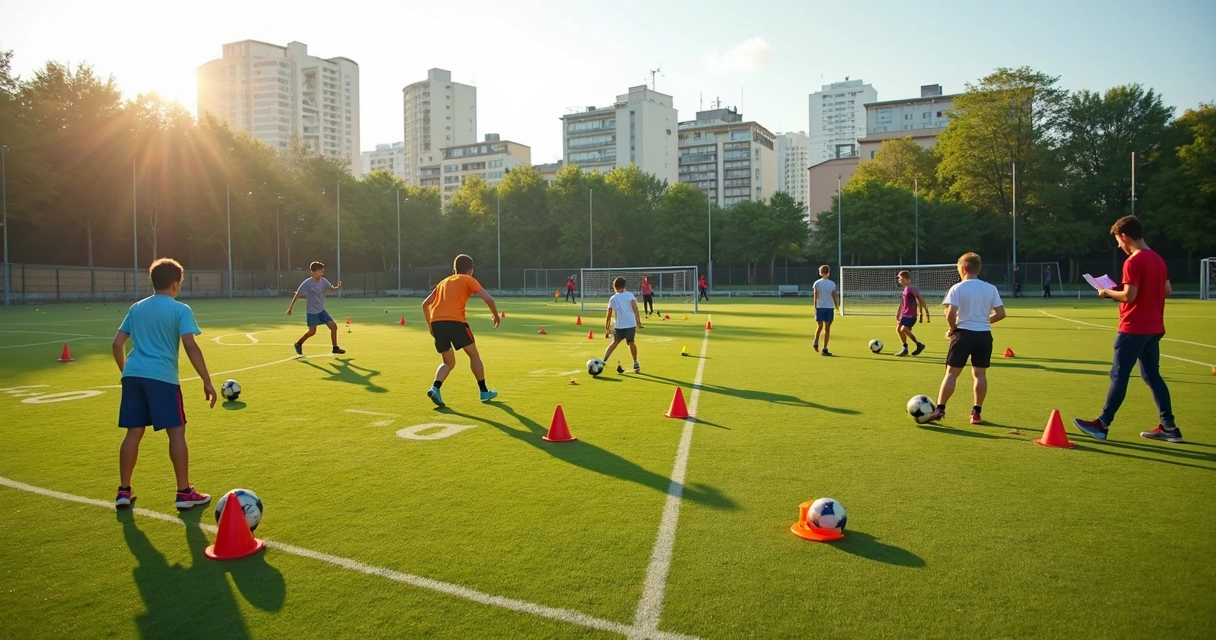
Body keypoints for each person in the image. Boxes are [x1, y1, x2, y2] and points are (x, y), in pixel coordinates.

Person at [111, 258, 216, 510]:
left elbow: (117, 344)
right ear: (175, 284)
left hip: (133, 375)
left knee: (133, 432)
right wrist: (207, 380)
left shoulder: (137, 308)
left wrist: (127, 372)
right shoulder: (180, 309)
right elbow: (190, 346)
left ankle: (124, 491)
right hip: (162, 378)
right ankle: (184, 493)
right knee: (176, 432)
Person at [1074, 215, 1181, 443]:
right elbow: (1167, 290)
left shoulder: (1133, 261)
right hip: (1154, 327)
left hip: (1134, 327)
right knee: (1152, 376)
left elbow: (1129, 296)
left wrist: (1107, 292)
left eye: (1118, 241)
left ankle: (1102, 424)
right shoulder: (1158, 259)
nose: (1119, 246)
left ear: (1124, 236)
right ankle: (1169, 427)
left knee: (1119, 375)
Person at [928, 252, 1006, 425]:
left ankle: (940, 409)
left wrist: (952, 329)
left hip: (963, 334)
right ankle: (976, 412)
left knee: (951, 374)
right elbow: (1001, 314)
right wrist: (983, 321)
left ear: (963, 268)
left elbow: (950, 313)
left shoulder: (958, 288)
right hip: (984, 336)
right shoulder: (990, 288)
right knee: (980, 375)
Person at [423, 254, 501, 407]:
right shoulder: (468, 279)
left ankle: (435, 388)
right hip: (456, 322)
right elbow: (489, 299)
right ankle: (484, 391)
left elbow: (425, 304)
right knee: (473, 355)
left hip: (437, 323)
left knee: (448, 362)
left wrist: (430, 326)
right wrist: (496, 316)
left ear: (454, 269)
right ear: (471, 270)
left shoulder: (443, 282)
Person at [287, 261, 345, 355]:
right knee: (312, 332)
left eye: (323, 271)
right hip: (312, 312)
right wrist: (290, 308)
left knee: (333, 326)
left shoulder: (323, 281)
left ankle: (335, 348)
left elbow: (331, 288)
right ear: (314, 272)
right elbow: (297, 295)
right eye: (321, 271)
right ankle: (299, 344)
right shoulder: (307, 283)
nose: (322, 272)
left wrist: (337, 288)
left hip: (321, 310)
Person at [603, 276, 644, 373]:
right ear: (625, 286)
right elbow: (635, 308)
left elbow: (609, 314)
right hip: (630, 324)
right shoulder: (629, 295)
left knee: (614, 343)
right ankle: (635, 362)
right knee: (631, 342)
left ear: (614, 286)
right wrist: (638, 321)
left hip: (620, 325)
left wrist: (607, 328)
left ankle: (603, 361)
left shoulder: (613, 298)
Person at [895, 270, 930, 357]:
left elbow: (920, 299)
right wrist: (898, 313)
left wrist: (925, 311)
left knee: (904, 329)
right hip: (904, 314)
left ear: (906, 278)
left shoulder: (912, 288)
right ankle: (905, 348)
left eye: (900, 278)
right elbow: (903, 302)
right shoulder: (905, 289)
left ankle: (919, 344)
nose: (899, 280)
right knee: (898, 329)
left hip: (911, 315)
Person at [812, 265, 839, 356]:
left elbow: (815, 297)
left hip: (820, 307)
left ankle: (816, 342)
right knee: (827, 329)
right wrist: (837, 306)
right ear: (828, 272)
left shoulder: (817, 283)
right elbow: (833, 296)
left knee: (819, 326)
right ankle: (824, 349)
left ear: (820, 273)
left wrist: (815, 308)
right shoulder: (832, 284)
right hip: (829, 308)